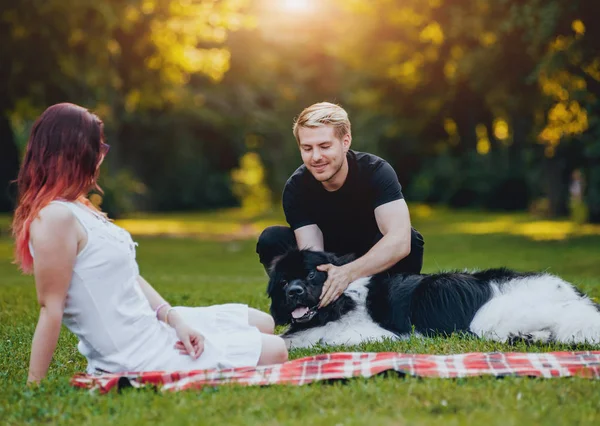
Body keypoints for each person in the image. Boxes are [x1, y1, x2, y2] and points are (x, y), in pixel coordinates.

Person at [13, 103, 287, 384]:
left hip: (150, 323)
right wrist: (35, 384)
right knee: (277, 350)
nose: (101, 157)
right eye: (99, 148)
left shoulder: (79, 208)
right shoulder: (54, 218)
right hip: (136, 352)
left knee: (265, 323)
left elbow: (129, 277)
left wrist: (174, 319)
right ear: (76, 153)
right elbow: (50, 307)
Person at [256, 102, 425, 308]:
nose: (316, 157)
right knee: (272, 238)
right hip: (329, 259)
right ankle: (299, 302)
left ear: (345, 142)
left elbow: (400, 241)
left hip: (372, 258)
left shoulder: (376, 171)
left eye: (325, 146)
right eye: (307, 148)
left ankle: (393, 301)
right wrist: (323, 281)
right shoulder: (296, 188)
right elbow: (312, 255)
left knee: (410, 238)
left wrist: (348, 273)